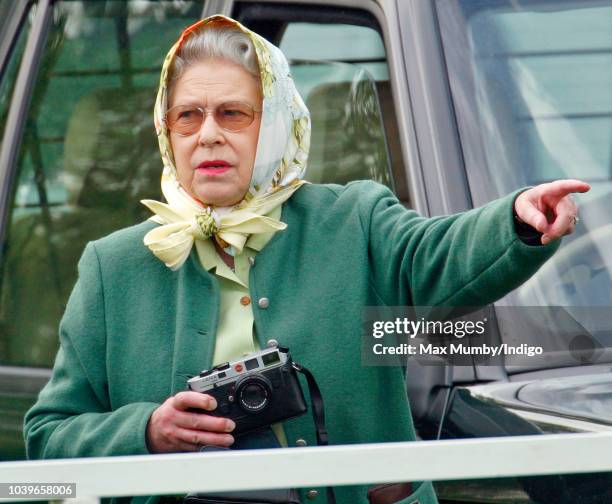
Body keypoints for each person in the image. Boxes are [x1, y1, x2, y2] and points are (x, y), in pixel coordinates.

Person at [24, 15, 589, 504]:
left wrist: (516, 219)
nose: (209, 135)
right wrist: (147, 431)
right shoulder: (114, 265)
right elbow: (49, 437)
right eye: (188, 117)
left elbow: (440, 257)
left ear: (273, 125)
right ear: (166, 132)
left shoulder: (354, 220)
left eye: (234, 114)